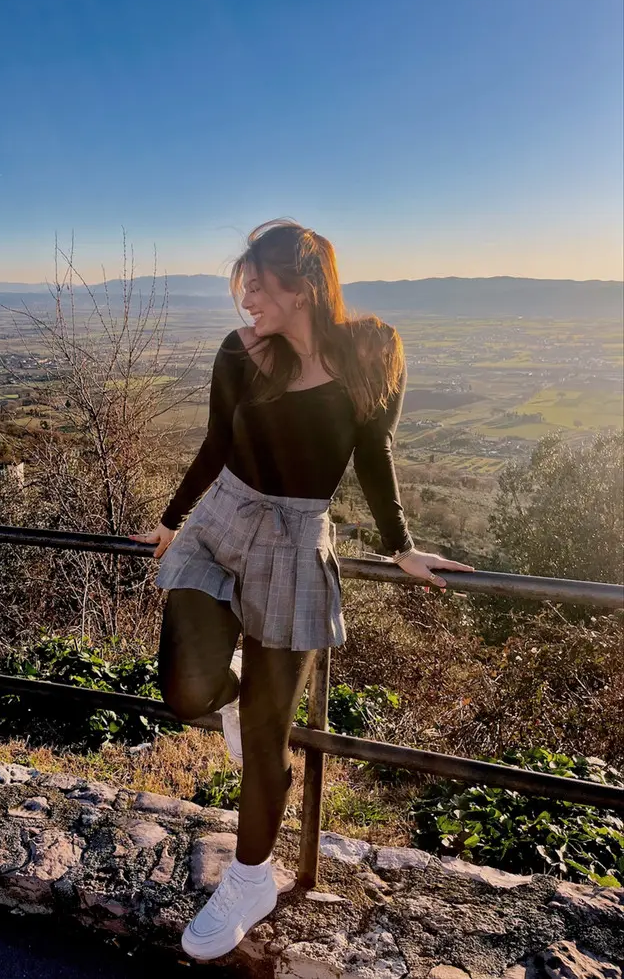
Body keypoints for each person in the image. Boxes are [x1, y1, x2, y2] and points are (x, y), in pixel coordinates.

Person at [131, 220, 474, 961]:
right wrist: (169, 520)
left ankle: (251, 877)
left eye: (259, 281)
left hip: (294, 542)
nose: (246, 295)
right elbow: (216, 442)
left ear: (305, 284)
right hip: (222, 521)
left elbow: (375, 456)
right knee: (187, 690)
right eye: (243, 282)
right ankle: (230, 697)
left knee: (267, 741)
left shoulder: (370, 354)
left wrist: (402, 547)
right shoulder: (238, 351)